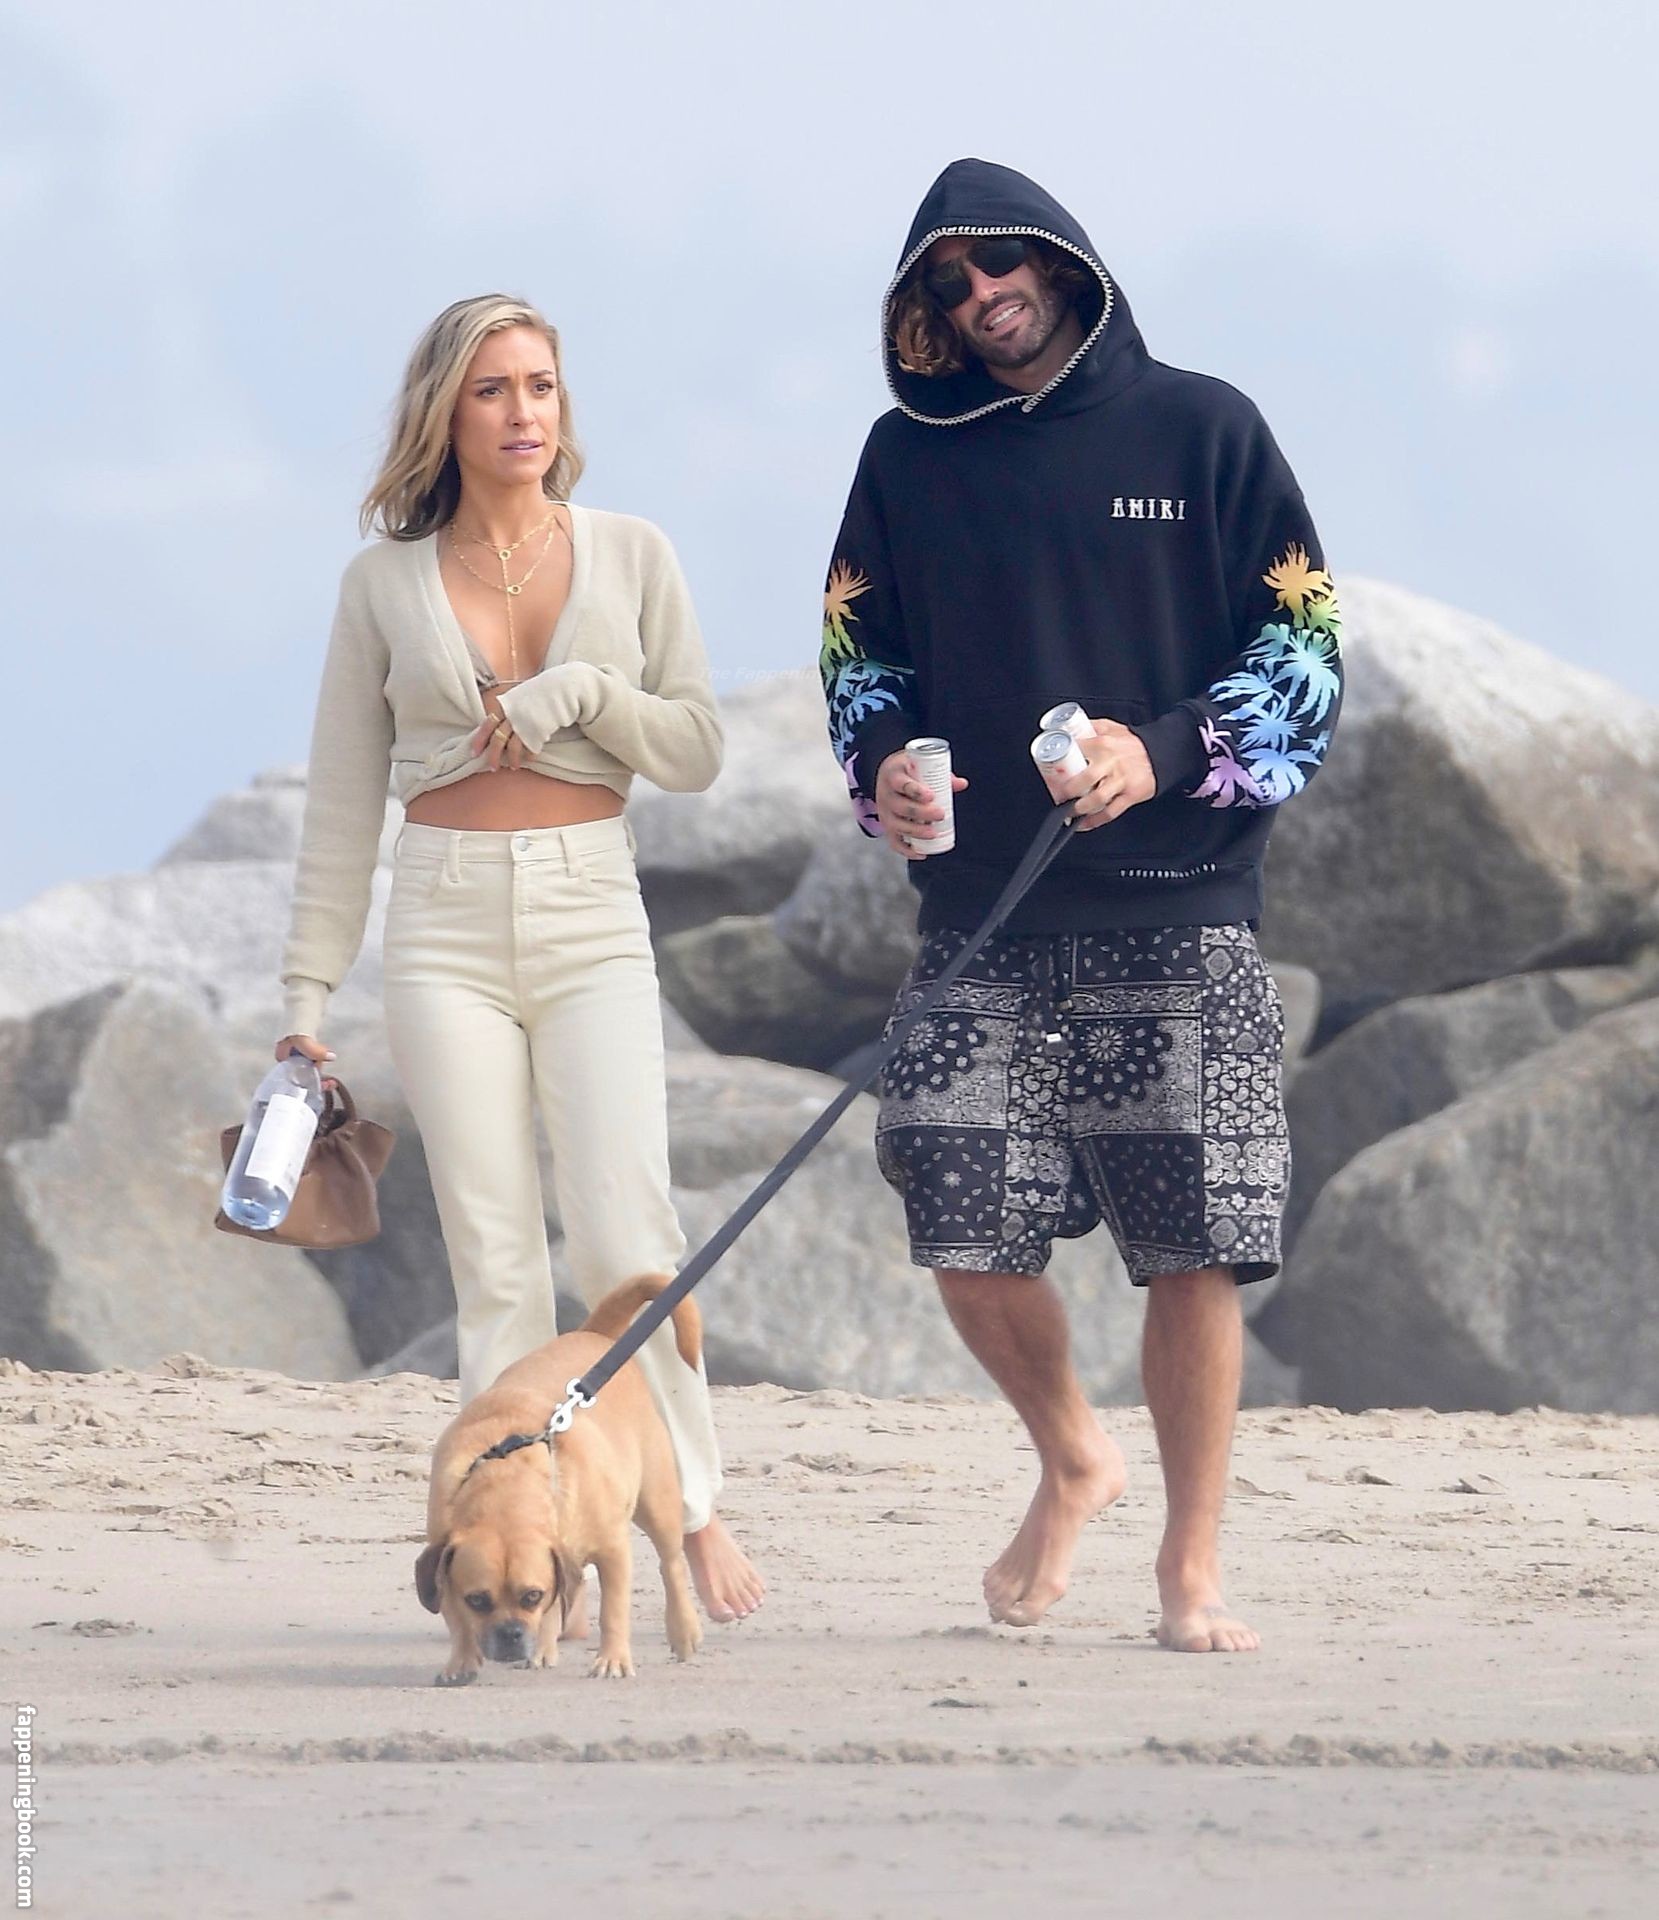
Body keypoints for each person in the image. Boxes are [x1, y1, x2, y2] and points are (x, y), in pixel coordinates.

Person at [819, 160, 1342, 1652]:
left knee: (1196, 1245)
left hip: (1181, 905)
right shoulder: (904, 459)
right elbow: (859, 658)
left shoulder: (1206, 429)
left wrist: (1160, 753)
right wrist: (884, 769)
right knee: (953, 1202)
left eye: (1002, 263)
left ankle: (1192, 1571)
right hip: (981, 915)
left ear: (1061, 261)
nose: (983, 294)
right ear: (927, 309)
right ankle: (1071, 1455)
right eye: (949, 281)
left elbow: (1308, 656)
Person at [277, 294, 763, 1623]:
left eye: (541, 385)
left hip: (591, 905)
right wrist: (305, 998)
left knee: (625, 1232)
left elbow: (697, 750)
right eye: (492, 389)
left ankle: (688, 1508)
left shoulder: (633, 552)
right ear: (446, 412)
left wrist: (587, 694)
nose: (523, 412)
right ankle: (512, 1530)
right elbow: (342, 807)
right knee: (494, 1258)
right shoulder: (381, 585)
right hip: (441, 919)